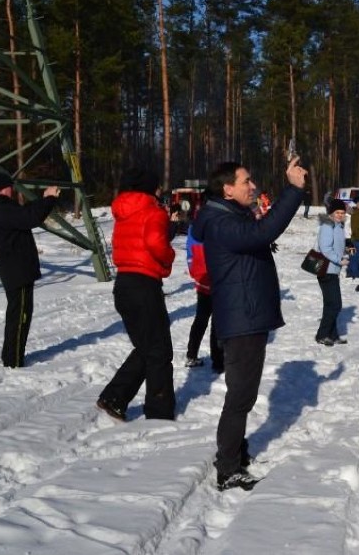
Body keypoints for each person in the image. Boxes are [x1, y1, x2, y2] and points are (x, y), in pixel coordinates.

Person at [191, 158, 306, 491]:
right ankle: (228, 468)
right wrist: (294, 190)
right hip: (241, 320)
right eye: (246, 181)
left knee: (243, 395)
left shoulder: (227, 216)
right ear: (227, 189)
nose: (253, 186)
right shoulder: (219, 222)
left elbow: (259, 231)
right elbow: (263, 232)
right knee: (240, 397)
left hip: (247, 317)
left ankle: (234, 452)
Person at [96, 168, 176, 422]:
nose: (161, 192)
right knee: (159, 350)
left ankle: (114, 397)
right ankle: (158, 412)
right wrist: (168, 259)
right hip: (145, 285)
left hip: (124, 284)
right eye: (158, 187)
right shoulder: (154, 212)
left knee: (147, 346)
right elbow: (155, 243)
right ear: (152, 189)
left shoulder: (123, 214)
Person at [0, 171, 59, 369]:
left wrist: (44, 200)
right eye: (11, 187)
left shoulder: (0, 208)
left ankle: (11, 357)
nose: (13, 191)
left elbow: (26, 213)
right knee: (20, 318)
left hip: (16, 269)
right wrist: (49, 199)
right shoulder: (1, 210)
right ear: (3, 188)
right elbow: (29, 217)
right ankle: (13, 361)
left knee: (17, 315)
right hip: (17, 270)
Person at [183, 222, 224, 373]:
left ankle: (191, 355)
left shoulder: (195, 225)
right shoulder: (220, 223)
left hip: (203, 279)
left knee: (201, 320)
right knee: (217, 322)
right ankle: (218, 361)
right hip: (217, 279)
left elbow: (189, 252)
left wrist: (194, 272)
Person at [315, 199, 350, 345]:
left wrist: (346, 253)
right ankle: (322, 335)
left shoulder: (338, 226)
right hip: (326, 269)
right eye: (338, 212)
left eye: (342, 212)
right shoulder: (328, 225)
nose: (340, 215)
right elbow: (325, 248)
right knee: (335, 304)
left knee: (331, 304)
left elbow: (338, 246)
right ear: (332, 213)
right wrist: (339, 260)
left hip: (332, 270)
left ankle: (333, 335)